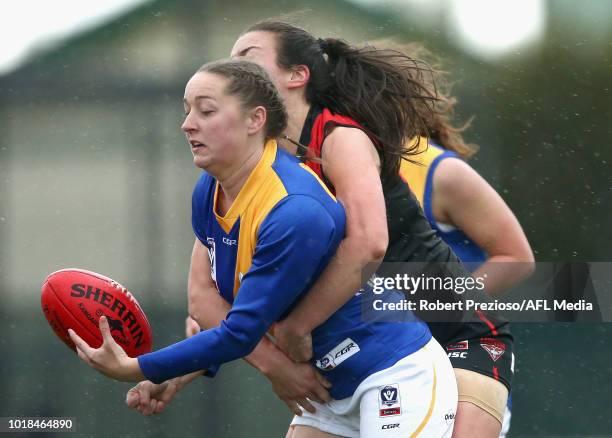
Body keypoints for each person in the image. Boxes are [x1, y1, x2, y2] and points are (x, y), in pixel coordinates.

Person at [68, 58, 458, 438]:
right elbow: (212, 302)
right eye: (187, 110)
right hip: (329, 394)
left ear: (256, 120)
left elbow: (239, 331)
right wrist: (175, 373)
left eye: (206, 111)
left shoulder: (293, 210)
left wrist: (138, 368)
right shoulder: (211, 189)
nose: (187, 124)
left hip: (392, 376)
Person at [223, 20, 532, 438]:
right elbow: (213, 292)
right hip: (371, 356)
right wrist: (171, 369)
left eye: (249, 58)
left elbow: (370, 246)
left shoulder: (353, 143)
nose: (234, 69)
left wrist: (402, 307)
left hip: (458, 338)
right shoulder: (261, 162)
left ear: (298, 76)